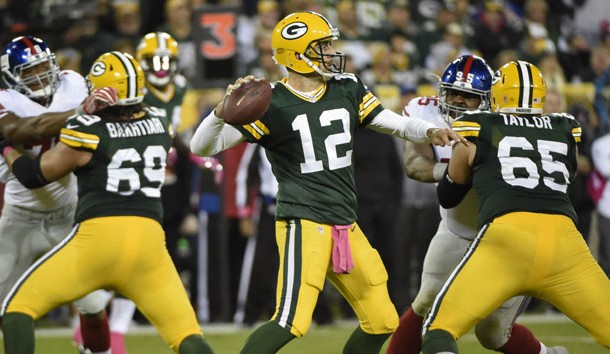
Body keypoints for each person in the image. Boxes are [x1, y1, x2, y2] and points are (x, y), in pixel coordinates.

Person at [190, 11, 465, 354]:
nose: (332, 51)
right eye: (322, 45)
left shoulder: (346, 87)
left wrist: (430, 130)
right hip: (303, 223)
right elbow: (203, 147)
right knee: (291, 321)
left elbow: (391, 122)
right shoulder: (270, 102)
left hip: (345, 224)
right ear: (298, 54)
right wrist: (218, 114)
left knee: (382, 319)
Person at [0, 51, 215, 354]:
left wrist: (7, 146)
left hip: (97, 239)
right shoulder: (160, 122)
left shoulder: (87, 129)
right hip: (149, 244)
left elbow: (33, 175)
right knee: (188, 336)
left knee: (17, 309)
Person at [421, 60, 610, 354]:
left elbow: (449, 194)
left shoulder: (477, 125)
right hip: (565, 244)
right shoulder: (564, 127)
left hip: (506, 239)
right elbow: (566, 177)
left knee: (439, 329)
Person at [387, 55, 570, 354]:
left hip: (506, 235)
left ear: (488, 100)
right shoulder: (426, 112)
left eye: (469, 97)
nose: (458, 101)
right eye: (453, 92)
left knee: (492, 334)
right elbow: (411, 162)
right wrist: (450, 174)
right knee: (425, 300)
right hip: (456, 227)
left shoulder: (508, 121)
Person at [0, 35, 114, 354]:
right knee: (8, 309)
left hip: (69, 216)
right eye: (28, 72)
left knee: (93, 306)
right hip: (18, 220)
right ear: (12, 77)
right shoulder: (6, 100)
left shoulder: (73, 84)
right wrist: (80, 112)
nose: (39, 78)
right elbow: (24, 131)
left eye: (42, 68)